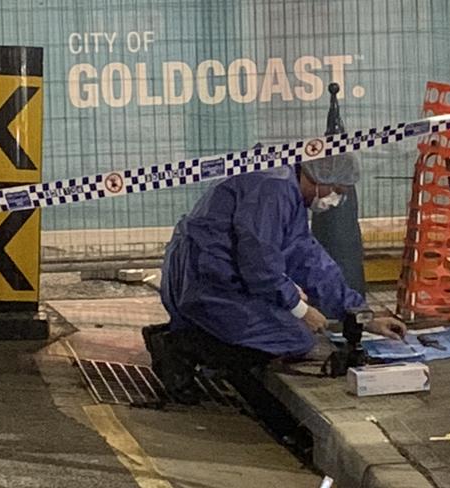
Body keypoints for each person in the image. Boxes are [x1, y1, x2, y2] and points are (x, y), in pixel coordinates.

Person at [143, 152, 406, 411]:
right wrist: (301, 310)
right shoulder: (273, 189)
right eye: (336, 189)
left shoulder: (286, 189)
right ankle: (179, 347)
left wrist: (361, 314)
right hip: (207, 282)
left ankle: (192, 340)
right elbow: (259, 265)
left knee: (287, 328)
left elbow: (308, 260)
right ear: (319, 176)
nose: (334, 199)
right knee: (292, 338)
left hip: (213, 276)